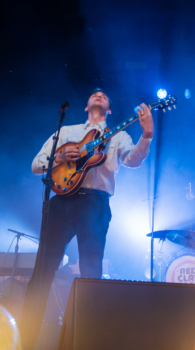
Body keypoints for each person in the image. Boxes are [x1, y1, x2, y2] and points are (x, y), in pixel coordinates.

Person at [20, 88, 154, 350]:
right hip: (60, 203)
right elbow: (37, 163)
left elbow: (132, 161)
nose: (100, 94)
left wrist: (147, 135)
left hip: (95, 203)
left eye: (105, 95)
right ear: (86, 106)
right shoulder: (66, 131)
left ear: (110, 110)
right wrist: (58, 157)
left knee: (91, 275)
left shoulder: (119, 135)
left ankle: (87, 342)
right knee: (42, 274)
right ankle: (24, 342)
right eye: (95, 94)